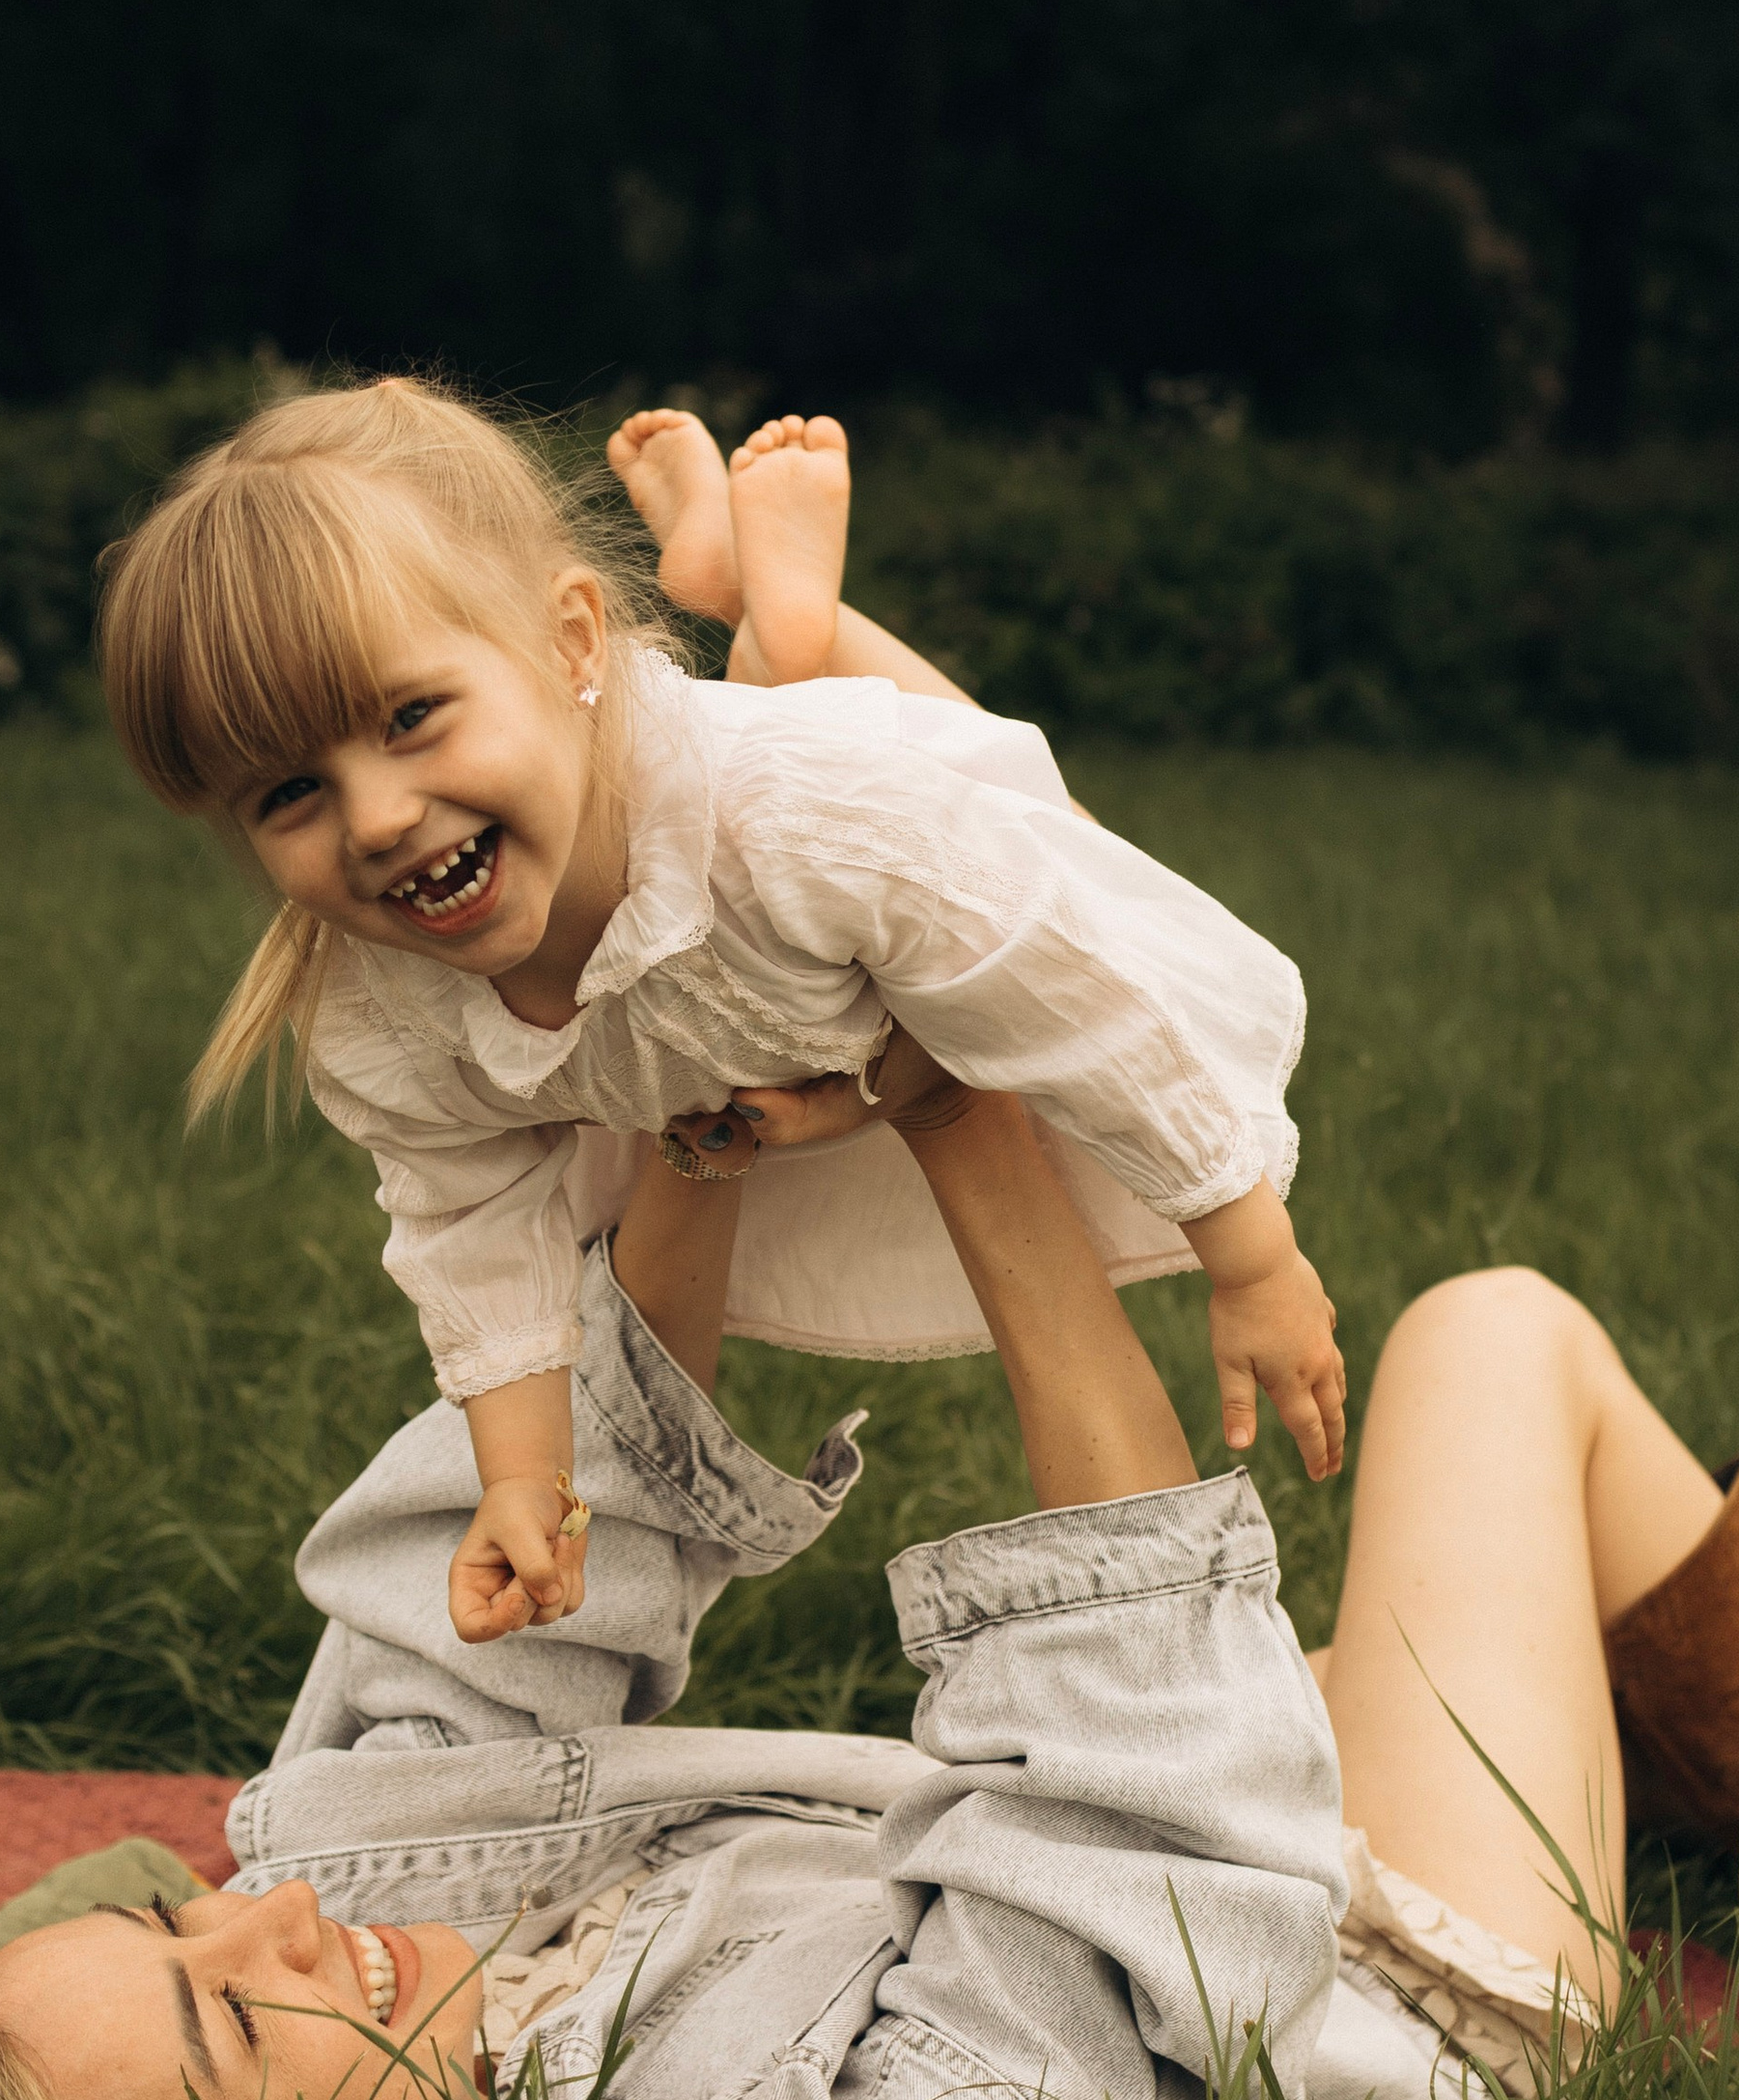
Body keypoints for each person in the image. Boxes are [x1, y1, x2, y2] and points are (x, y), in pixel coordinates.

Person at [0, 1052, 1739, 2100]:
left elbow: (509, 1601)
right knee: (1488, 1349)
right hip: (1368, 2027)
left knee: (1368, 1635)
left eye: (176, 1929)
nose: (265, 1920)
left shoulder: (401, 2003)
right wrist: (968, 1123)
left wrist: (690, 1112)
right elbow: (1158, 1817)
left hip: (1154, 1901)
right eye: (234, 2027)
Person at [93, 378, 1346, 1655]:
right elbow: (468, 1216)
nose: (375, 817)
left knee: (984, 815)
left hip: (913, 879)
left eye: (412, 717)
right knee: (816, 872)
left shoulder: (808, 818)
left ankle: (790, 629)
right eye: (292, 791)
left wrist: (1251, 1258)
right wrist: (524, 1473)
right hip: (745, 1003)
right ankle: (771, 630)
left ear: (576, 644)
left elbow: (1064, 994)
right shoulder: (381, 1010)